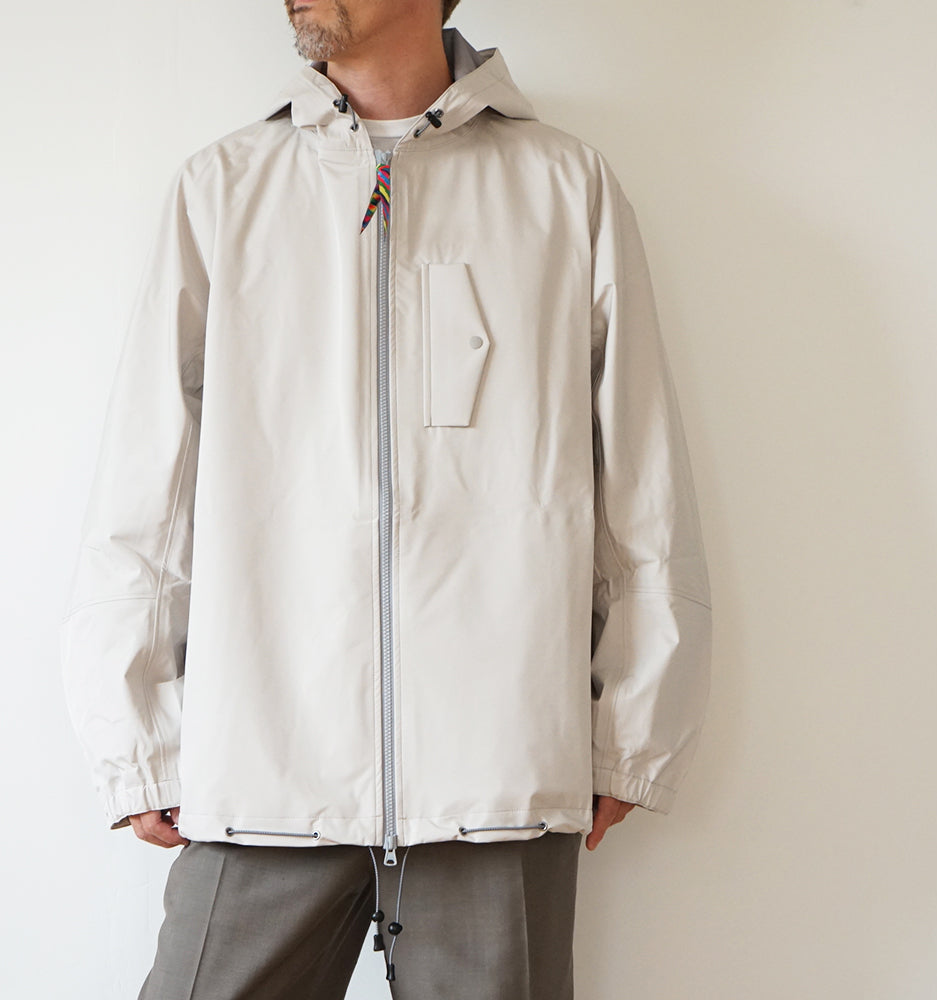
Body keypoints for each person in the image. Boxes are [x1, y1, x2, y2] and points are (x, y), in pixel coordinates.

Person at [59, 1, 713, 996]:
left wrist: (636, 729)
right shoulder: (224, 187)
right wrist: (135, 737)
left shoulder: (562, 185)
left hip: (497, 773)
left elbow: (640, 470)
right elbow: (146, 482)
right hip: (265, 767)